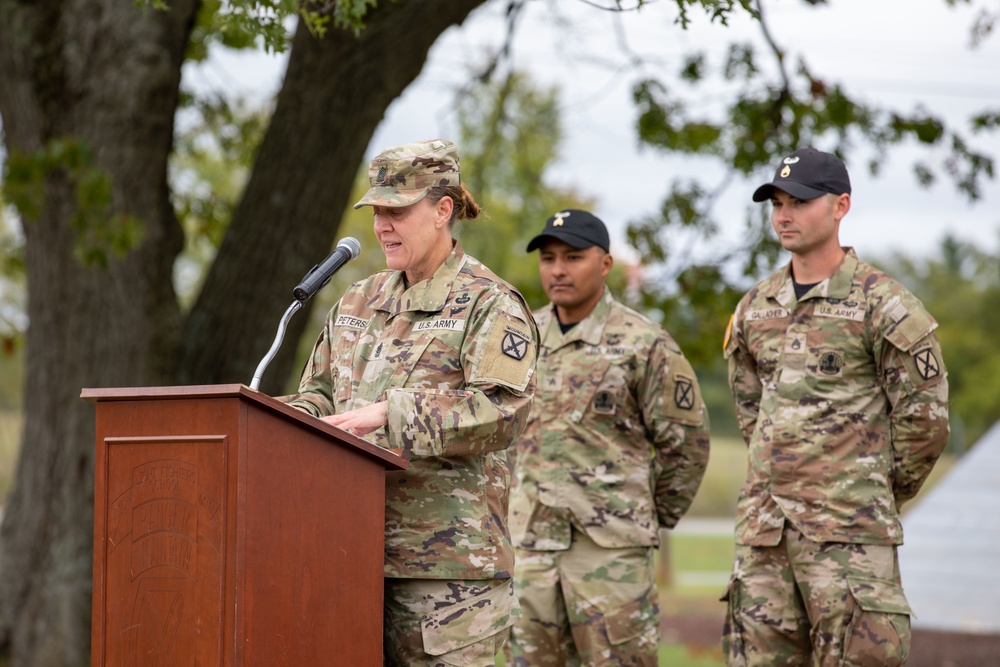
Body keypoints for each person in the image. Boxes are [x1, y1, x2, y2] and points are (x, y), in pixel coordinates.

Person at [281, 139, 539, 667]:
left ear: (443, 210)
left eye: (397, 211)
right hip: (345, 557)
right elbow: (320, 393)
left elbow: (500, 412)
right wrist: (288, 420)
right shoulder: (357, 300)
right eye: (377, 212)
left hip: (447, 579)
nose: (382, 227)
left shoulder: (490, 303)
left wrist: (393, 413)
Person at [721, 147, 950, 666]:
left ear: (841, 205)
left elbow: (926, 421)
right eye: (776, 202)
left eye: (799, 201)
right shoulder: (756, 306)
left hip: (850, 538)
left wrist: (868, 489)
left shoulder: (883, 304)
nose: (784, 214)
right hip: (765, 537)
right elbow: (751, 410)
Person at [505, 209, 711, 666]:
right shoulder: (518, 339)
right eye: (549, 258)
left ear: (605, 263)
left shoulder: (644, 343)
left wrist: (639, 518)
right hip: (531, 548)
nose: (557, 269)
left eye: (573, 257)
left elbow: (688, 447)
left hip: (610, 557)